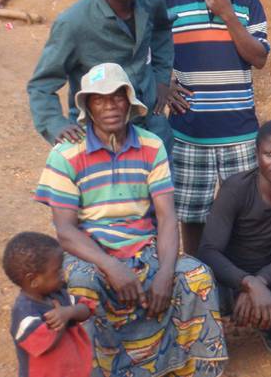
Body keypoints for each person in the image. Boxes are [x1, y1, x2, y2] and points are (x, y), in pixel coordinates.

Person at [33, 63, 227, 376]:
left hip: (144, 250)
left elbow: (166, 218)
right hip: (90, 255)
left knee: (196, 276)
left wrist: (165, 272)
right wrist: (110, 266)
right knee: (82, 285)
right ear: (88, 107)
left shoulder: (152, 146)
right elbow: (65, 231)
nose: (109, 106)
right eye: (99, 99)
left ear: (128, 102)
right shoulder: (66, 154)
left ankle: (192, 370)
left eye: (117, 97)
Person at [163, 0, 270, 255]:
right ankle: (197, 278)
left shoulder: (247, 0)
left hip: (239, 131)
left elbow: (259, 58)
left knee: (245, 213)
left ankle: (236, 280)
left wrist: (227, 15)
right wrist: (161, 85)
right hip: (189, 130)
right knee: (191, 215)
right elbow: (148, 48)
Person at [27, 0, 173, 151]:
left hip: (152, 133)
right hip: (100, 142)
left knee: (160, 186)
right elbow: (41, 85)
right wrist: (55, 125)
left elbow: (162, 30)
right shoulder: (74, 23)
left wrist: (161, 78)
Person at [197, 120, 271, 356]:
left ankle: (266, 324)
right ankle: (211, 335)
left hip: (266, 278)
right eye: (270, 154)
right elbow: (209, 250)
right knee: (198, 296)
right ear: (257, 154)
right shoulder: (235, 188)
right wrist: (247, 284)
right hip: (226, 279)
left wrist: (260, 283)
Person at [4, 232, 92, 377]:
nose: (63, 274)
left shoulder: (58, 294)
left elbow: (86, 308)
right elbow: (46, 343)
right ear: (33, 280)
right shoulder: (24, 312)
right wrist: (63, 319)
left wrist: (69, 312)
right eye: (57, 271)